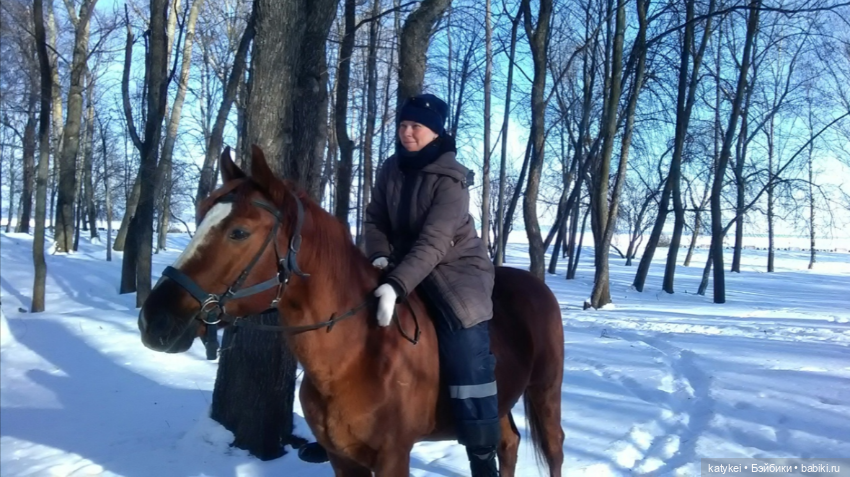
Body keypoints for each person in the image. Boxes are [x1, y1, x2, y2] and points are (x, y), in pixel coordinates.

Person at [366, 93, 500, 477]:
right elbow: (374, 218)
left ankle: (481, 447)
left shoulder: (450, 181)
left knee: (465, 346)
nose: (407, 133)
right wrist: (378, 258)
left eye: (416, 127)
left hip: (455, 268)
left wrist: (395, 284)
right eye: (403, 125)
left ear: (435, 133)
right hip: (396, 263)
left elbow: (434, 242)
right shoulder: (390, 168)